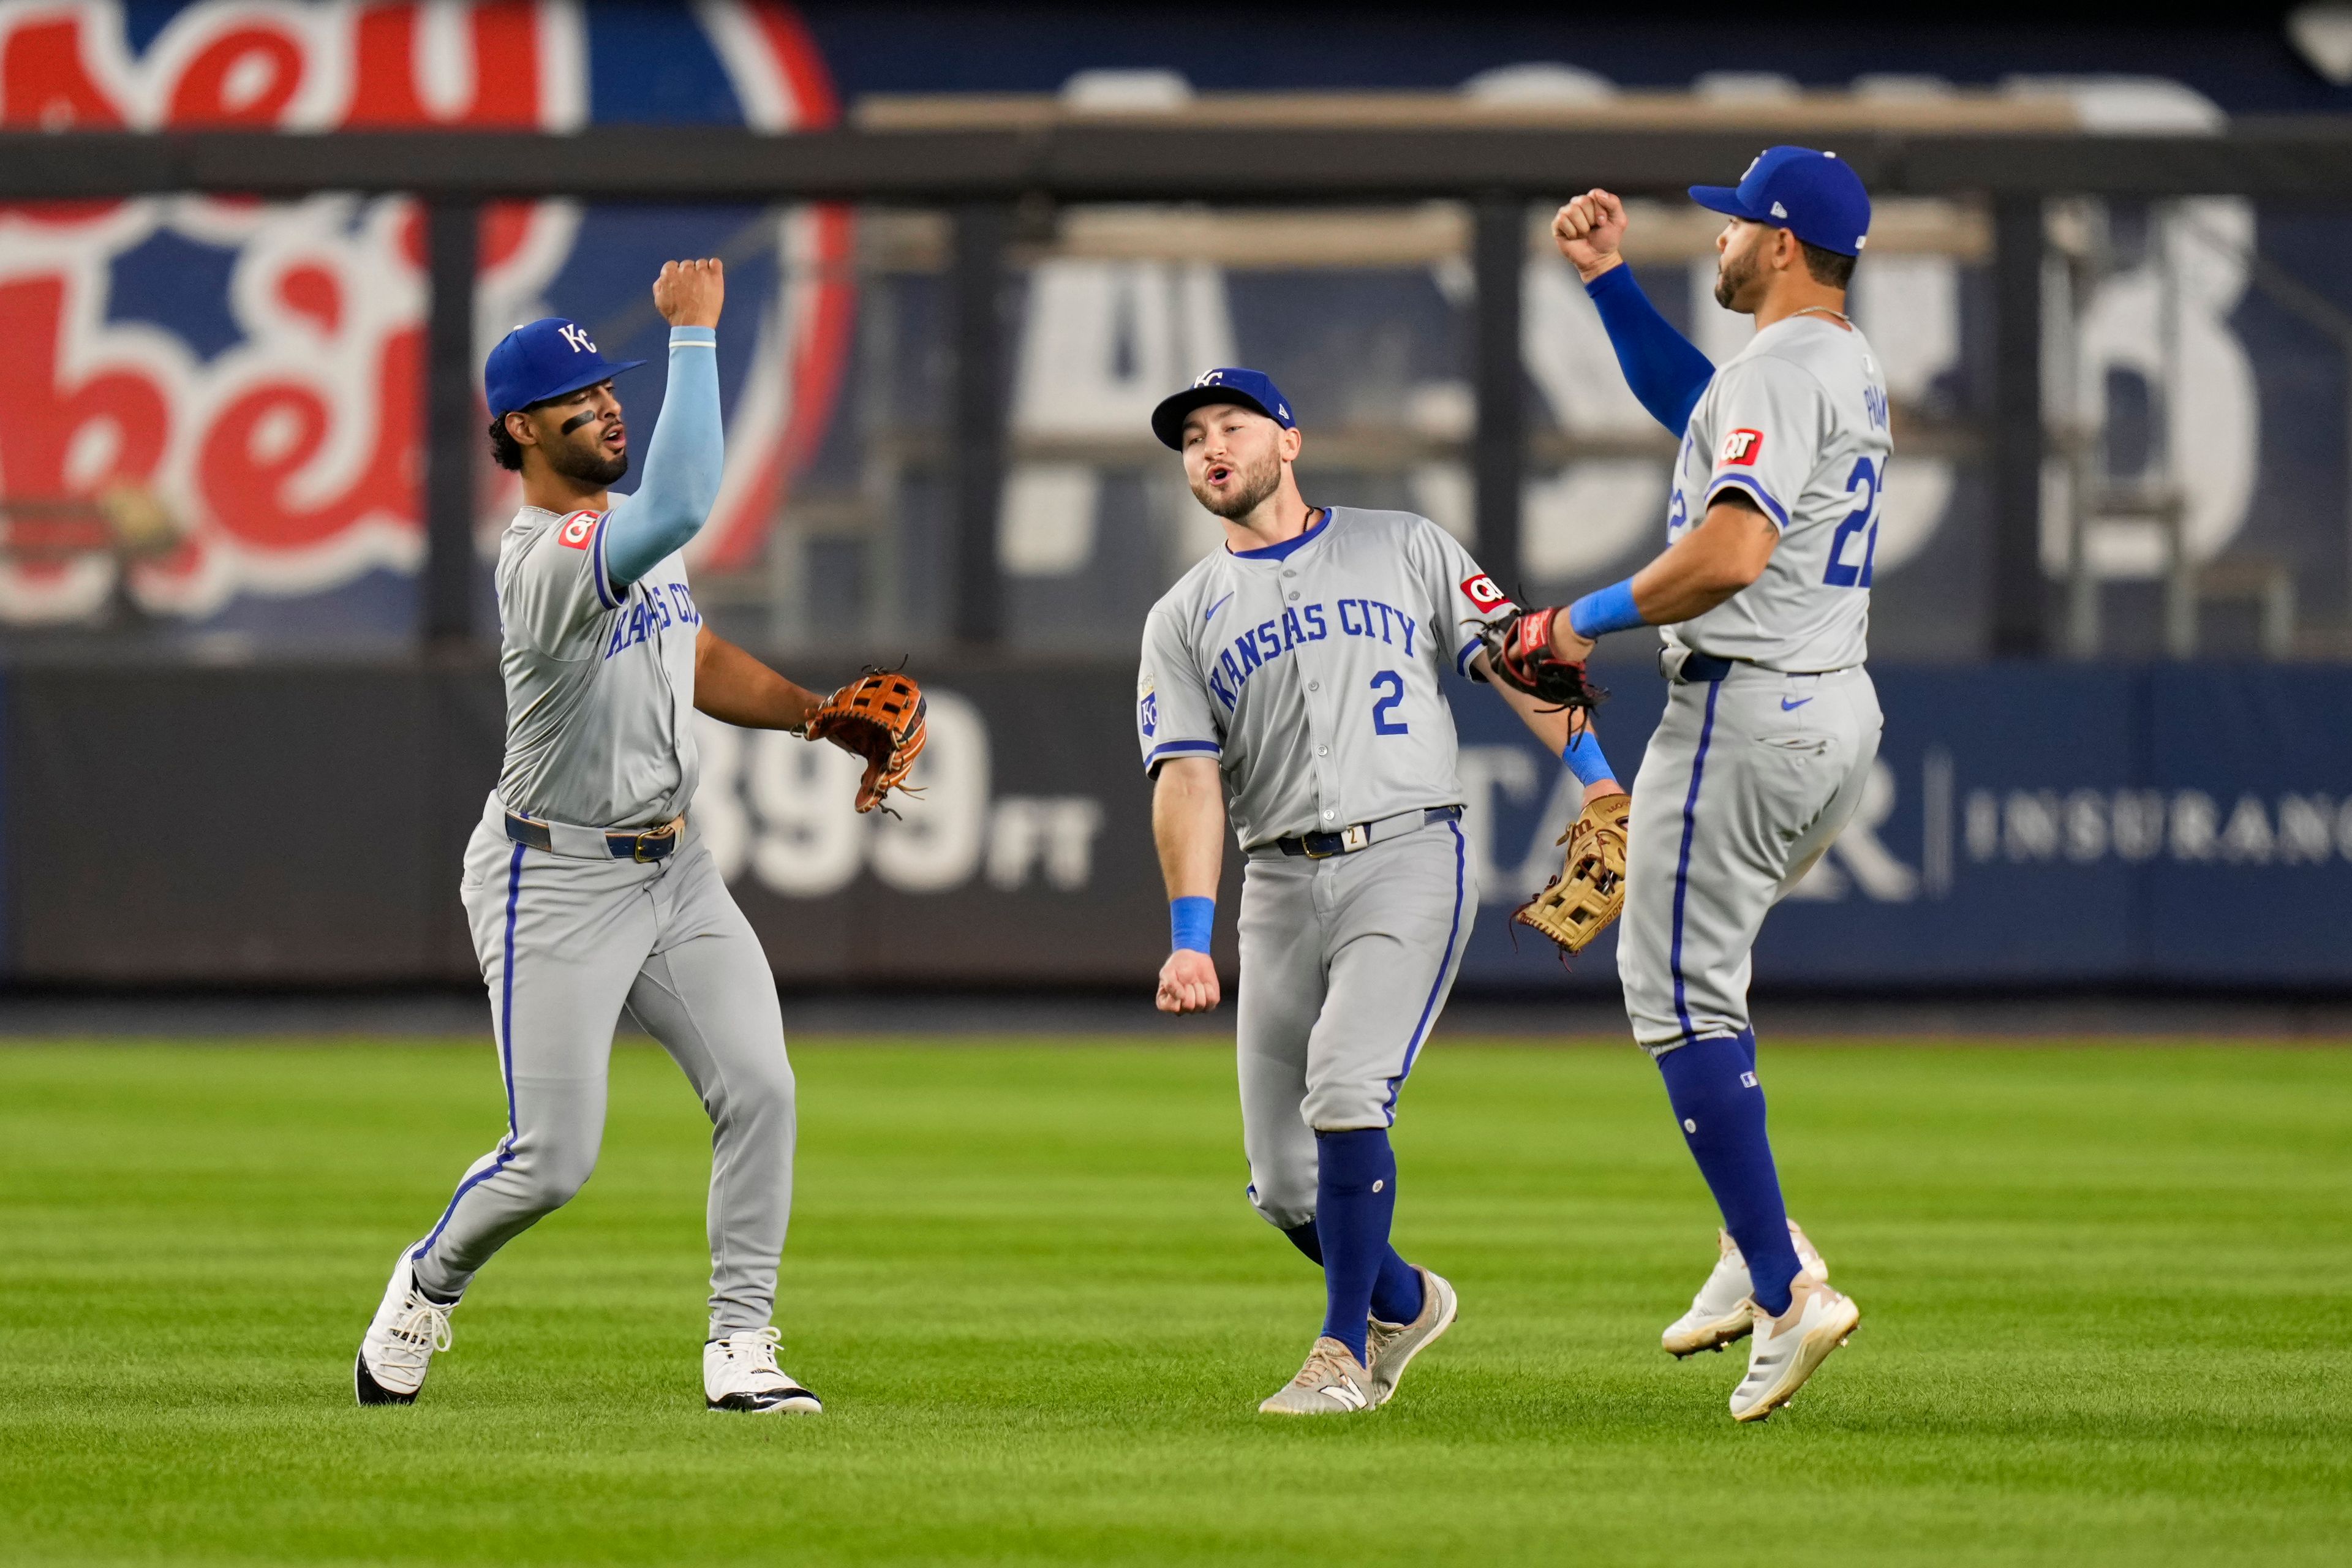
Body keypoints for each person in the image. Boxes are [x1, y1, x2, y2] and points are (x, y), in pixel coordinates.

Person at [355, 261, 856, 1415]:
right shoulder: (542, 561)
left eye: (611, 384)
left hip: (673, 870)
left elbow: (691, 649)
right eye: (583, 395)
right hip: (554, 877)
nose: (610, 405)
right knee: (553, 1160)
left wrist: (814, 712)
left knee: (763, 1092)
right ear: (522, 429)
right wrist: (692, 337)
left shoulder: (627, 530)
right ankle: (430, 1282)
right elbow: (686, 506)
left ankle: (741, 1344)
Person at [1136, 367, 1623, 1414]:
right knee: (1280, 1183)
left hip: (1406, 853)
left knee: (1347, 1089)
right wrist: (1189, 936)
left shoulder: (1404, 543)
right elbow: (1184, 778)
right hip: (1274, 879)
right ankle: (1405, 1299)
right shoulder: (1182, 615)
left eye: (1233, 425)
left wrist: (1603, 784)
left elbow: (1515, 659)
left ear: (1290, 442)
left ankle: (1343, 1353)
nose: (1211, 446)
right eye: (1192, 438)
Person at [1534, 148, 1883, 1419]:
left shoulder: (1785, 368)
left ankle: (1788, 1288)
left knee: (1673, 987)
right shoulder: (1832, 361)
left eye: (1738, 224)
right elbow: (1702, 406)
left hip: (1746, 707)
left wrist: (1579, 619)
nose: (1722, 240)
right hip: (1833, 706)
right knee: (1707, 972)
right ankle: (1754, 1235)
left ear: (1781, 245)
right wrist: (1610, 285)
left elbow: (1731, 549)